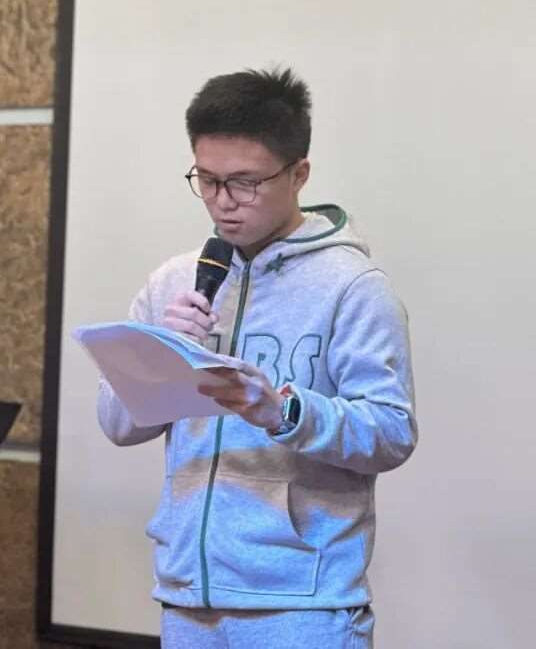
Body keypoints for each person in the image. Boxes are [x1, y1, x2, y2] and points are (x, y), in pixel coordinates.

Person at [97, 67, 417, 648]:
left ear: (298, 174)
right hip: (187, 597)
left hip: (304, 605)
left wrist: (286, 413)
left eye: (245, 183)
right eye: (208, 180)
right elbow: (117, 426)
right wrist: (155, 357)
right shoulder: (174, 281)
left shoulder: (352, 288)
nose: (223, 203)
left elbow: (391, 432)